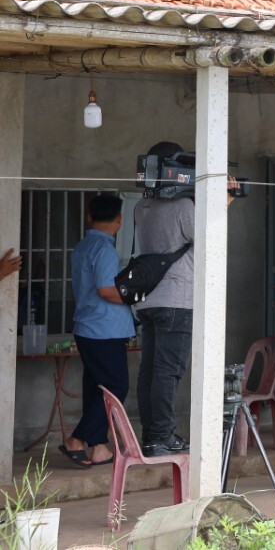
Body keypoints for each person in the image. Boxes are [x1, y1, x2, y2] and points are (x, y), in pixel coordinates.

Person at [132, 141, 239, 457]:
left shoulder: (142, 207)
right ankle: (161, 437)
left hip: (149, 299)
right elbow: (210, 240)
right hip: (178, 300)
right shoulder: (183, 208)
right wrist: (227, 200)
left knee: (150, 371)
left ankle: (152, 435)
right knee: (168, 371)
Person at [59, 194, 133, 468]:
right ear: (120, 219)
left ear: (89, 217)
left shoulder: (83, 246)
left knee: (96, 388)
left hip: (88, 327)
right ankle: (76, 440)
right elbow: (106, 290)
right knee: (116, 387)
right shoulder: (104, 249)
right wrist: (133, 296)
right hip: (105, 329)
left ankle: (99, 447)